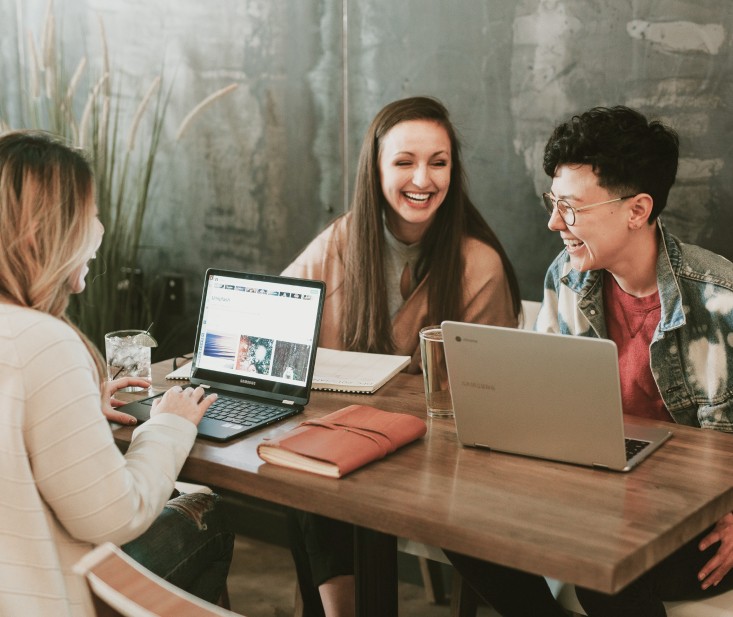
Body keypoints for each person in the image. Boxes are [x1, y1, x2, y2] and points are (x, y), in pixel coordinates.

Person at [445, 105, 733, 617]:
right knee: (456, 522)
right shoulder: (567, 277)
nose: (555, 222)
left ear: (637, 210)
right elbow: (540, 405)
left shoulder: (720, 300)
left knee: (605, 567)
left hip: (701, 521)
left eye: (572, 208)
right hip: (598, 497)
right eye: (553, 203)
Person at [282, 96, 522, 617]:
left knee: (318, 476)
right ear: (376, 168)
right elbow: (279, 313)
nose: (424, 178)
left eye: (439, 162)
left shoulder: (477, 264)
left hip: (436, 461)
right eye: (405, 161)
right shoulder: (344, 239)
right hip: (346, 445)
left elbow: (487, 396)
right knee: (307, 471)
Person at [0, 130, 234, 616]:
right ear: (45, 234)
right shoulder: (42, 342)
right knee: (209, 511)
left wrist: (79, 410)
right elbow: (113, 517)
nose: (100, 229)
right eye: (87, 216)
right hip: (41, 597)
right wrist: (168, 425)